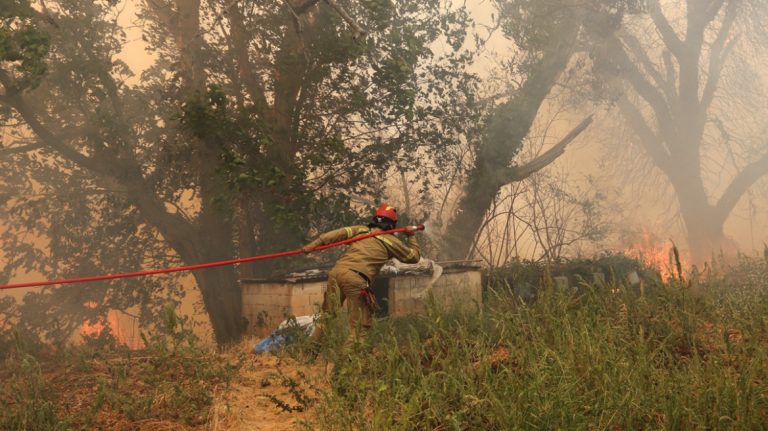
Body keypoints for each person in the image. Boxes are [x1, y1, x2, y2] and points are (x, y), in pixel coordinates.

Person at [302, 203, 420, 346]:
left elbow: (336, 234)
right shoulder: (391, 241)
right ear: (392, 225)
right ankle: (344, 364)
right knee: (361, 327)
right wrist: (411, 236)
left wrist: (313, 245)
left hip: (336, 273)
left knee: (327, 316)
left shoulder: (362, 230)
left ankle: (310, 354)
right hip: (356, 278)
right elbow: (414, 257)